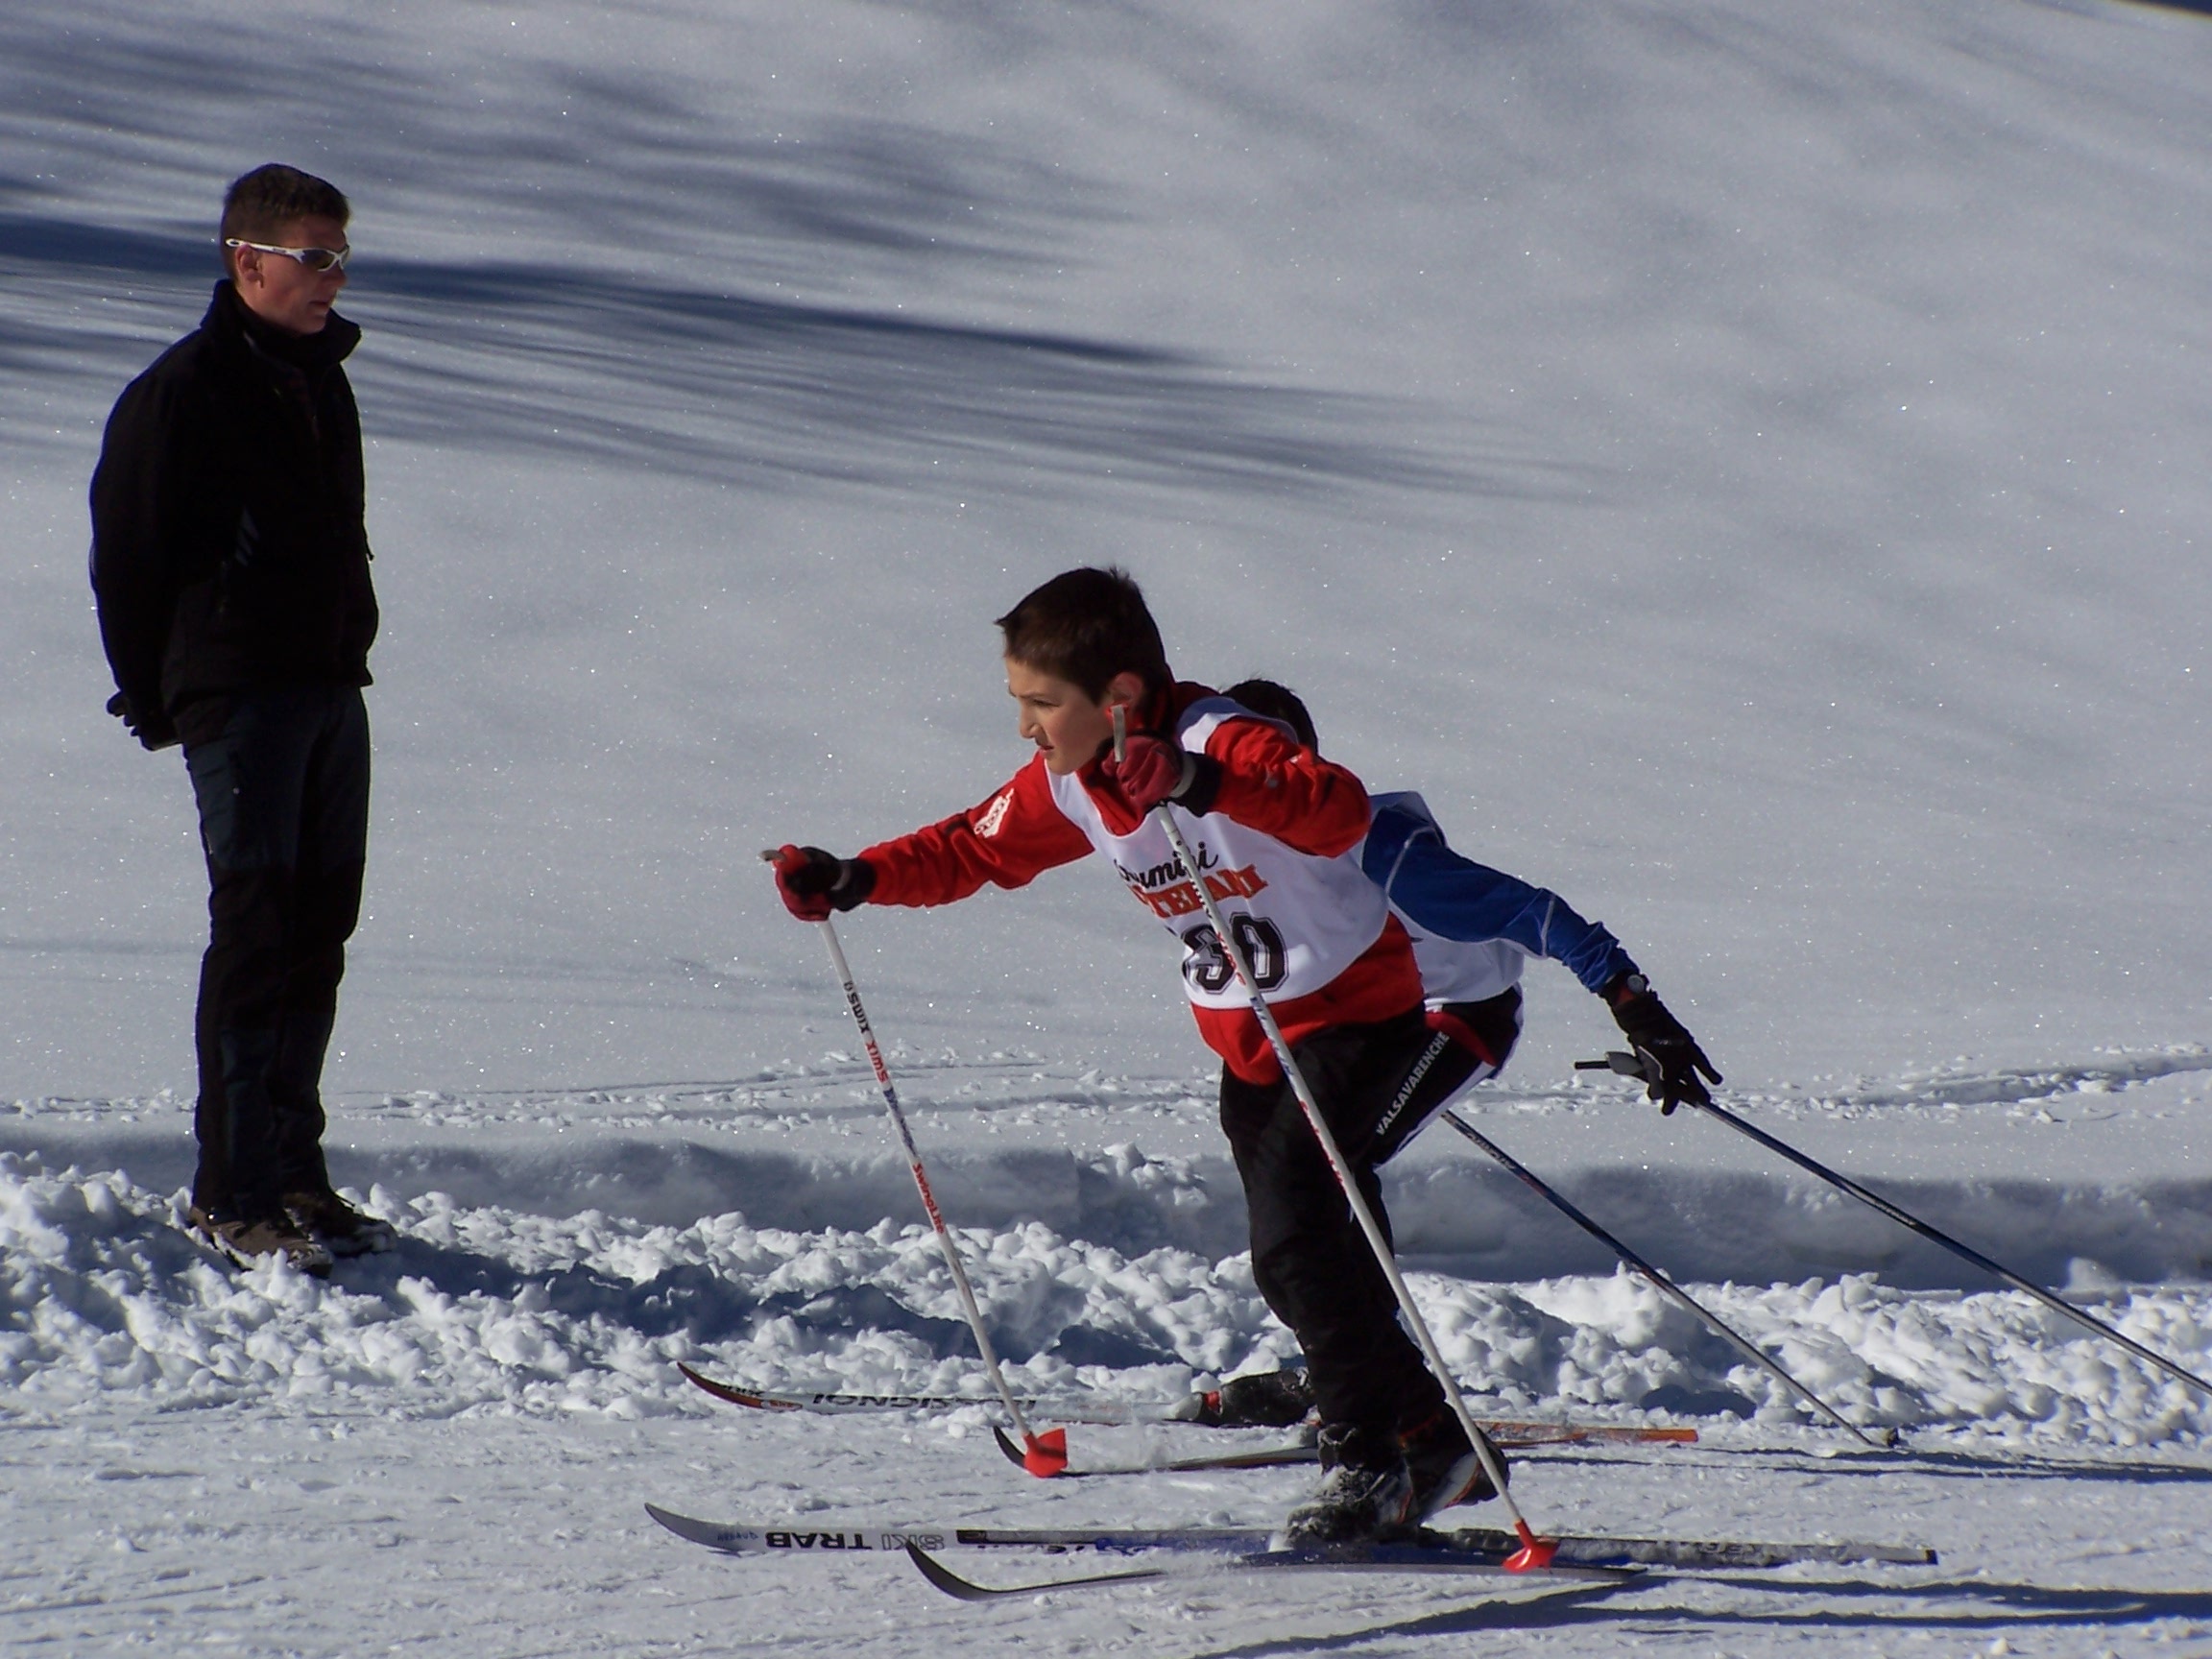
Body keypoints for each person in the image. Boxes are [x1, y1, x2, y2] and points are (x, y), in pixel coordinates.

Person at [773, 566, 1504, 1544]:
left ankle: (1370, 1465)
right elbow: (975, 847)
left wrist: (1201, 782)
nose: (1026, 728)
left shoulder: (1218, 737)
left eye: (1042, 704)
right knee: (1292, 1264)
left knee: (1301, 1235)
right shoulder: (1071, 783)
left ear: (1117, 696)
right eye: (1019, 702)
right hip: (1252, 1044)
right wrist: (857, 877)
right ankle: (1430, 1436)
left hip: (1357, 1018)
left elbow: (1333, 807)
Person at [1169, 680, 1722, 1431]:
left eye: (1265, 759)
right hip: (1350, 1020)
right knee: (1290, 1191)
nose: (1245, 782)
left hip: (1455, 1016)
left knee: (1323, 1172)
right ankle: (1344, 1365)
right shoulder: (1223, 853)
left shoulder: (1375, 848)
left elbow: (1533, 912)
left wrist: (1634, 1004)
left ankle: (1372, 1383)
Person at [89, 163, 396, 1276]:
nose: (332, 277)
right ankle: (232, 1192)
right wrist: (161, 695)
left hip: (328, 688)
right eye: (313, 257)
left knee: (319, 930)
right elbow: (127, 554)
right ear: (246, 260)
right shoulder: (183, 390)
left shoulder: (320, 380)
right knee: (258, 935)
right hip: (239, 695)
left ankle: (294, 1172)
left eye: (340, 256)